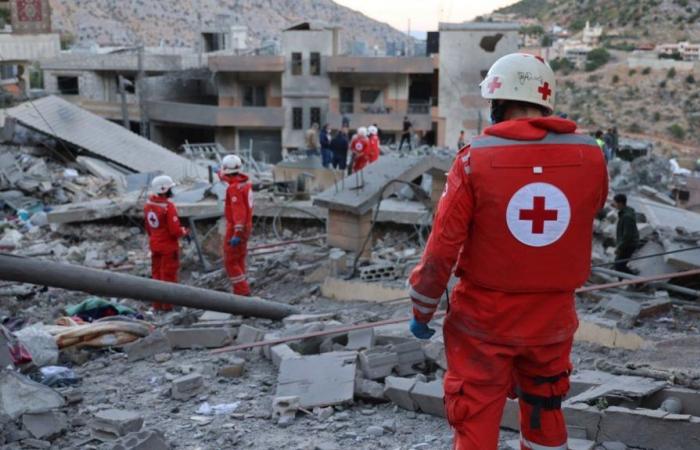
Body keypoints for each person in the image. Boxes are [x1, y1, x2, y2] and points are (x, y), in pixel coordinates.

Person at [407, 53, 608, 450]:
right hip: (552, 323)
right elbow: (590, 210)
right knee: (544, 411)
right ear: (545, 99)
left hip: (483, 323)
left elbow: (440, 251)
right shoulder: (592, 156)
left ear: (497, 103)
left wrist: (422, 309)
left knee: (475, 416)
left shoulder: (473, 161)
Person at [144, 175, 189, 311]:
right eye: (170, 188)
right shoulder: (168, 207)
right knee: (168, 275)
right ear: (164, 190)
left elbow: (148, 227)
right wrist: (185, 231)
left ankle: (157, 305)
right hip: (168, 247)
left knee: (156, 274)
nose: (172, 191)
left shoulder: (148, 205)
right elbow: (174, 231)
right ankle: (168, 306)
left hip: (155, 244)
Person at [219, 154, 253, 296]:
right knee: (239, 260)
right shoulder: (245, 184)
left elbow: (239, 212)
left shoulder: (234, 189)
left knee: (231, 262)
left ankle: (243, 294)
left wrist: (236, 233)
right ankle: (241, 294)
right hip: (246, 227)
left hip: (236, 229)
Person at [613, 193, 640, 274]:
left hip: (628, 245)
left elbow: (627, 235)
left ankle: (636, 280)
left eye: (615, 203)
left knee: (619, 265)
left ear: (620, 203)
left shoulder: (627, 216)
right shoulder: (626, 212)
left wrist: (619, 247)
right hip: (628, 244)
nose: (614, 205)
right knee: (618, 264)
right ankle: (623, 280)